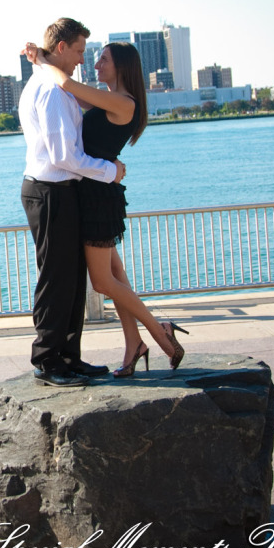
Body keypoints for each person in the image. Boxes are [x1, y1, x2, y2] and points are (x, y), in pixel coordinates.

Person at [27, 40, 188, 377]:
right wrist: (40, 62)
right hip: (89, 193)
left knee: (102, 283)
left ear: (122, 66)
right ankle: (134, 345)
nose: (96, 64)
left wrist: (43, 58)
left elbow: (67, 84)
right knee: (117, 278)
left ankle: (160, 332)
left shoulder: (123, 103)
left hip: (99, 200)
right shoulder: (109, 99)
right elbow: (65, 90)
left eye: (103, 59)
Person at [19, 18, 126, 387]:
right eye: (80, 50)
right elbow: (65, 156)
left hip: (60, 190)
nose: (83, 59)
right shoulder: (50, 90)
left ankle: (69, 356)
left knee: (72, 278)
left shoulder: (54, 84)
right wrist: (110, 171)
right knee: (56, 278)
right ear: (62, 48)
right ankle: (47, 360)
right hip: (50, 190)